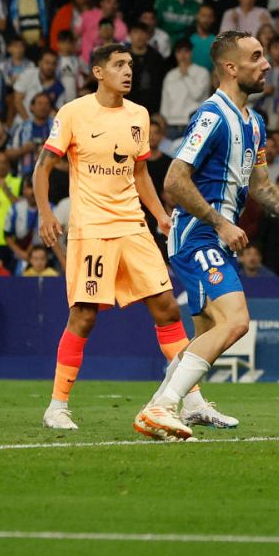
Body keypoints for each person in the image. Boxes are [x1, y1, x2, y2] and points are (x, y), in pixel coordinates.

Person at [137, 32, 279, 438]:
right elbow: (174, 179)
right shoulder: (212, 116)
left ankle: (181, 405)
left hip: (216, 239)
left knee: (207, 333)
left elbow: (260, 185)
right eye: (256, 57)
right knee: (236, 321)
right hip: (197, 236)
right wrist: (221, 222)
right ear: (230, 67)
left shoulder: (254, 123)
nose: (267, 64)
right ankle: (163, 407)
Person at [35, 44, 180, 432]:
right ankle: (57, 406)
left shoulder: (139, 115)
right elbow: (43, 167)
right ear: (98, 72)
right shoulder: (73, 113)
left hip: (133, 224)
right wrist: (47, 212)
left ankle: (191, 398)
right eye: (118, 65)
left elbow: (140, 174)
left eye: (130, 65)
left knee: (167, 306)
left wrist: (160, 216)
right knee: (83, 316)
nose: (127, 71)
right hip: (93, 229)